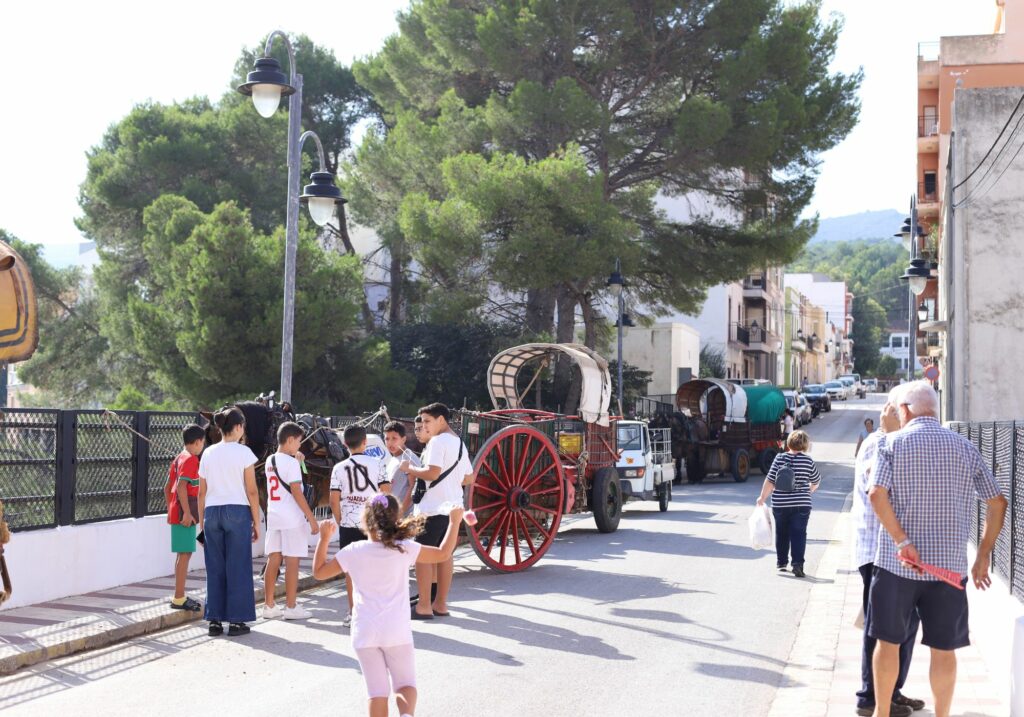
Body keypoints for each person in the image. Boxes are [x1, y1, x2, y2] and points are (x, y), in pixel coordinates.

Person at [868, 381, 1008, 717]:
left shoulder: (889, 444)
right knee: (944, 649)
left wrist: (902, 540)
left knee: (888, 642)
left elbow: (876, 494)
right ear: (935, 409)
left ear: (905, 410)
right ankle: (942, 715)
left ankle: (882, 713)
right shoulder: (964, 447)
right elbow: (998, 502)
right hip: (949, 570)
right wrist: (984, 555)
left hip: (896, 566)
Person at [313, 496, 463, 717]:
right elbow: (442, 554)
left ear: (366, 520)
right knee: (405, 685)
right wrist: (454, 522)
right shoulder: (404, 548)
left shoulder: (353, 550)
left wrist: (324, 538)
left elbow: (319, 572)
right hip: (396, 630)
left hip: (364, 632)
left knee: (376, 693)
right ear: (396, 519)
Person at [852, 391, 922, 717]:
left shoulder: (895, 444)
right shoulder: (877, 444)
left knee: (905, 626)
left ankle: (892, 690)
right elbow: (878, 489)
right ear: (893, 413)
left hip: (896, 553)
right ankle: (870, 699)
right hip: (877, 551)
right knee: (881, 629)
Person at [401, 403, 473, 619]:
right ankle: (440, 603)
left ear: (441, 419)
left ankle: (423, 605)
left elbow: (432, 473)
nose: (424, 426)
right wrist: (450, 482)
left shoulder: (437, 442)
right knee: (445, 556)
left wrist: (409, 468)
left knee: (422, 556)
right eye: (422, 422)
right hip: (452, 508)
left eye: (427, 421)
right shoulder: (459, 443)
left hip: (431, 508)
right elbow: (469, 478)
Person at [198, 407, 261, 637]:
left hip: (211, 513)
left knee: (214, 567)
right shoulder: (244, 453)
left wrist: (201, 525)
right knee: (238, 567)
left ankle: (214, 620)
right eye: (242, 425)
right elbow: (252, 491)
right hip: (237, 511)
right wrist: (256, 522)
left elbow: (201, 493)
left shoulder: (208, 452)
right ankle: (236, 622)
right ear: (237, 427)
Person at [331, 424, 391, 627]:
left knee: (351, 569)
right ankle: (376, 613)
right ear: (365, 442)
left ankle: (353, 611)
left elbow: (333, 499)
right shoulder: (378, 464)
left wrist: (340, 519)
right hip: (372, 523)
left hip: (348, 522)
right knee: (376, 568)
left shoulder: (339, 468)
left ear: (345, 444)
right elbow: (386, 493)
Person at [262, 421, 319, 620]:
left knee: (274, 559)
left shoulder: (271, 460)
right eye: (298, 442)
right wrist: (311, 519)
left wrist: (297, 460)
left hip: (274, 516)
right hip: (292, 518)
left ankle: (269, 606)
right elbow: (296, 491)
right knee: (292, 561)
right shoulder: (292, 463)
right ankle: (291, 606)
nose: (300, 446)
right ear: (290, 440)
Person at [756, 430, 821, 578]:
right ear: (805, 444)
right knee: (799, 533)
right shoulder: (808, 460)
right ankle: (797, 564)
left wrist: (762, 497)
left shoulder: (779, 458)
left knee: (782, 532)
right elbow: (816, 481)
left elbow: (770, 480)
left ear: (789, 442)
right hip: (801, 504)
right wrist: (808, 491)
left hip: (780, 504)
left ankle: (782, 562)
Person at [165, 423, 206, 612]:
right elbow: (181, 487)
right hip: (184, 512)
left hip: (177, 511)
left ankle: (179, 594)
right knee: (185, 554)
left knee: (183, 553)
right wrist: (187, 513)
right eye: (202, 443)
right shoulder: (191, 460)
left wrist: (171, 509)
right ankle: (179, 598)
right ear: (198, 442)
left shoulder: (178, 458)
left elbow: (167, 488)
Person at [384, 421, 419, 517]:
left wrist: (400, 512)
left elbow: (414, 487)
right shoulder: (393, 458)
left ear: (403, 439)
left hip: (405, 516)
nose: (390, 443)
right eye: (387, 438)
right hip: (392, 515)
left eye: (394, 438)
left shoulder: (408, 458)